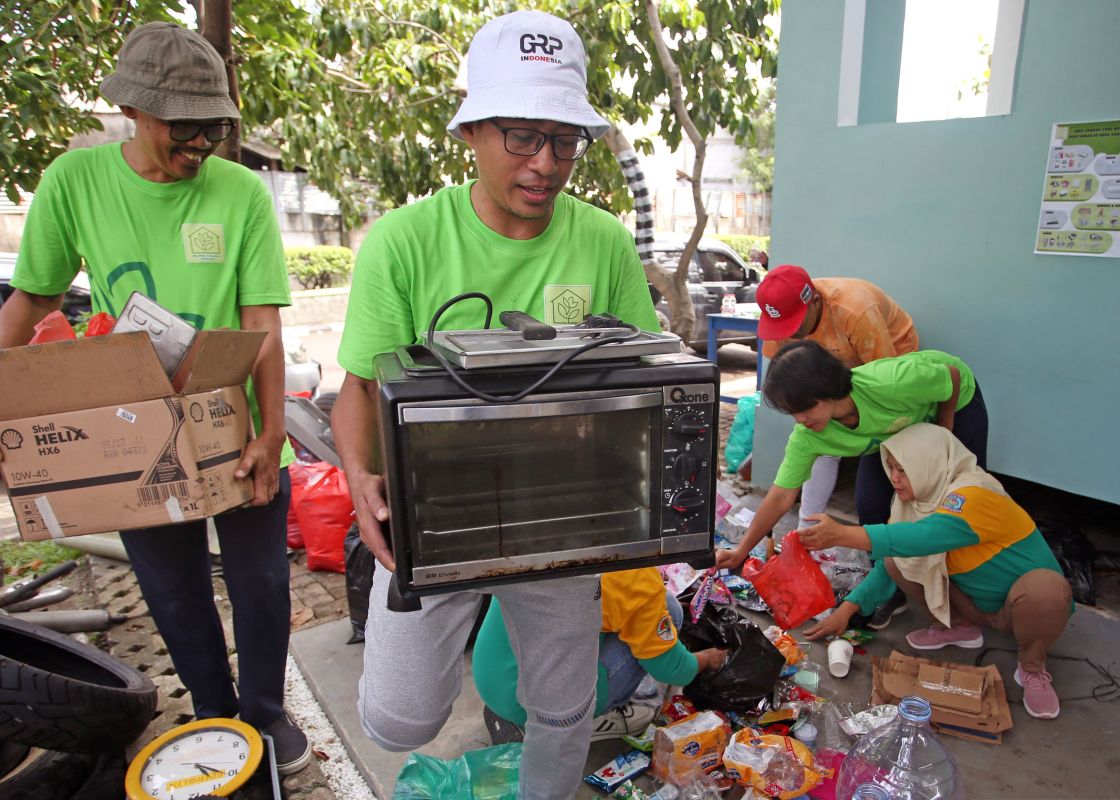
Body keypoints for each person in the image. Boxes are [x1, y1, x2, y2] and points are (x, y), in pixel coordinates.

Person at [0, 22, 310, 774]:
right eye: (184, 125)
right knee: (173, 594)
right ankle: (215, 714)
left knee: (262, 586)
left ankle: (267, 718)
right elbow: (30, 297)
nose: (201, 141)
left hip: (227, 422)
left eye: (212, 125)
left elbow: (261, 324)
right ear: (136, 111)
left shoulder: (239, 192)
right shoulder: (75, 183)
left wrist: (272, 433)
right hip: (133, 432)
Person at [331, 10, 660, 798]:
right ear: (471, 130)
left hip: (564, 512)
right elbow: (358, 392)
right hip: (438, 515)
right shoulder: (403, 242)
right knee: (398, 721)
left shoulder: (604, 241)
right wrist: (357, 477)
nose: (545, 163)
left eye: (564, 139)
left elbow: (644, 376)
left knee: (562, 705)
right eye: (520, 135)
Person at [799, 424, 1072, 720]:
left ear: (927, 464)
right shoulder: (914, 502)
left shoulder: (974, 494)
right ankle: (958, 625)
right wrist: (846, 611)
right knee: (895, 560)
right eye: (889, 467)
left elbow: (926, 537)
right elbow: (893, 559)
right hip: (975, 603)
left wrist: (842, 535)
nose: (894, 478)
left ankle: (1032, 668)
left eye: (903, 469)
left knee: (1045, 589)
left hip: (1020, 608)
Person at [714, 340, 988, 574]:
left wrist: (943, 429)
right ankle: (886, 585)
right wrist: (740, 551)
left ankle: (968, 573)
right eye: (792, 412)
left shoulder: (889, 383)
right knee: (870, 507)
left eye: (805, 407)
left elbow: (949, 375)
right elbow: (781, 495)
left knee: (961, 495)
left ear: (828, 388)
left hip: (954, 399)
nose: (800, 419)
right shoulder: (808, 435)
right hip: (893, 432)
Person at [756, 264, 920, 628]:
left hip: (883, 369)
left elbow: (884, 384)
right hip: (828, 384)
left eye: (795, 328)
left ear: (813, 300)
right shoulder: (783, 317)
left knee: (879, 479)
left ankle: (889, 584)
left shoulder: (855, 312)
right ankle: (806, 541)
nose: (788, 337)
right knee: (823, 443)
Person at [471, 568, 727, 744]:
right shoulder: (637, 580)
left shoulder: (550, 527)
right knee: (668, 618)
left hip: (493, 674)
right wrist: (707, 658)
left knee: (664, 608)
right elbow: (673, 670)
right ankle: (593, 722)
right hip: (538, 703)